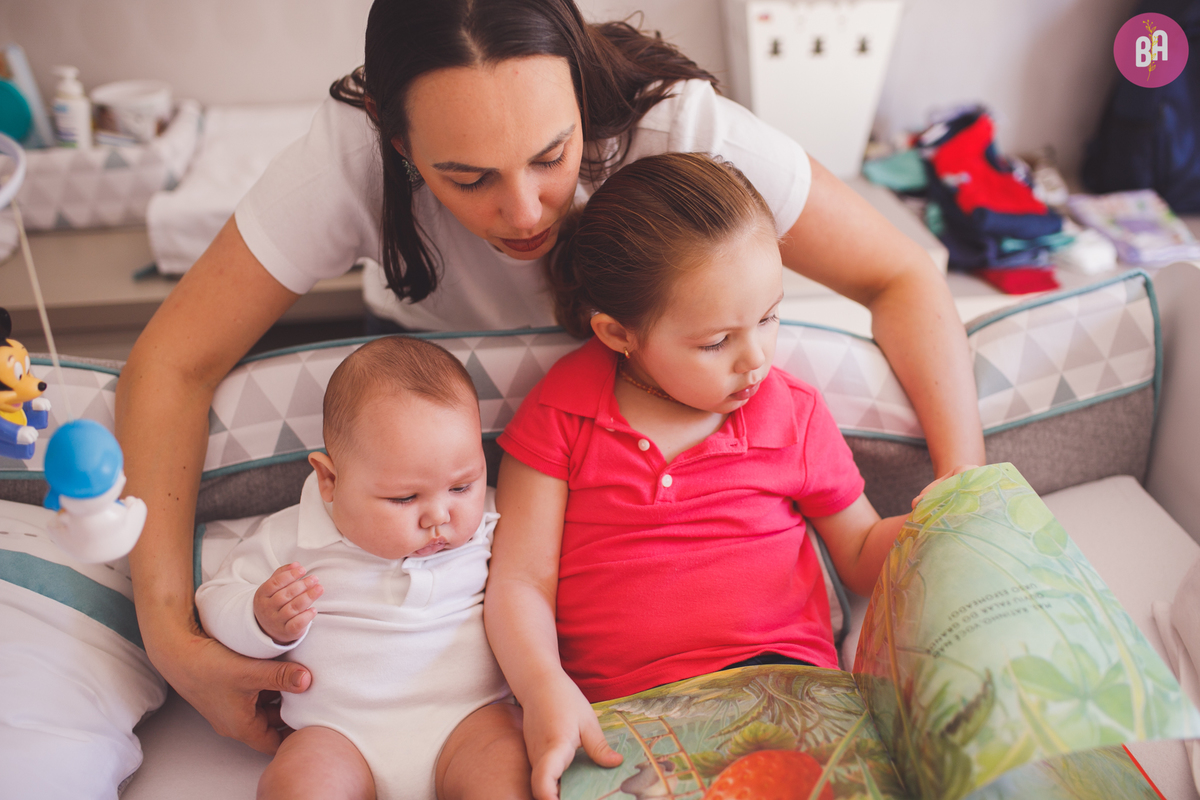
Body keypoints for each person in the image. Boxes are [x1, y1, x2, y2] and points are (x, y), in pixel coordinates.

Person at [115, 0, 983, 766]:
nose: (527, 212)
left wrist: (966, 493)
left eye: (552, 155)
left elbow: (903, 275)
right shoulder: (350, 156)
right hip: (439, 390)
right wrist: (171, 639)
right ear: (396, 139)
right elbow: (171, 362)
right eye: (468, 178)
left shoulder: (681, 134)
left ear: (583, 91)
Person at [486, 153, 921, 799]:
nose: (756, 359)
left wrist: (933, 523)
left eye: (769, 318)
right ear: (619, 333)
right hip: (625, 714)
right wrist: (544, 687)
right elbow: (520, 580)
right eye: (716, 342)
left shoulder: (793, 412)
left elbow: (859, 553)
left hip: (785, 691)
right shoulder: (561, 413)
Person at [195, 336, 530, 800]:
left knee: (510, 774)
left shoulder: (492, 524)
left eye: (461, 486)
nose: (439, 515)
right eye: (404, 498)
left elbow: (538, 584)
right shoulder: (290, 538)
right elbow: (214, 599)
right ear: (330, 480)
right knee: (295, 786)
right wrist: (259, 618)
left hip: (472, 720)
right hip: (337, 734)